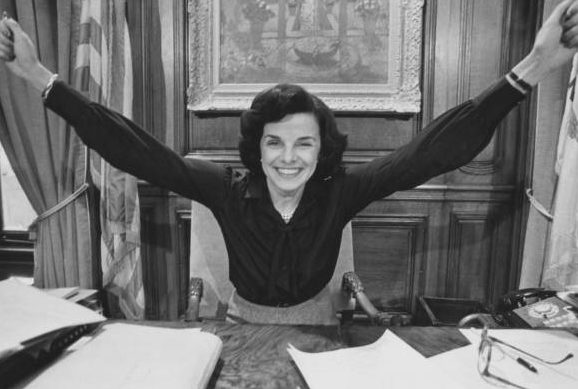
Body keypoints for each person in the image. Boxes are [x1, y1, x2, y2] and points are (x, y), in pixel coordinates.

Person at [2, 1, 578, 325]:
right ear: (256, 149)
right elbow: (134, 148)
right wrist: (39, 79)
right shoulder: (221, 187)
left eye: (303, 144)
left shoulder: (343, 191)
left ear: (322, 150)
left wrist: (529, 68)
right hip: (240, 328)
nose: (288, 158)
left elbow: (432, 152)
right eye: (274, 143)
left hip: (323, 329)